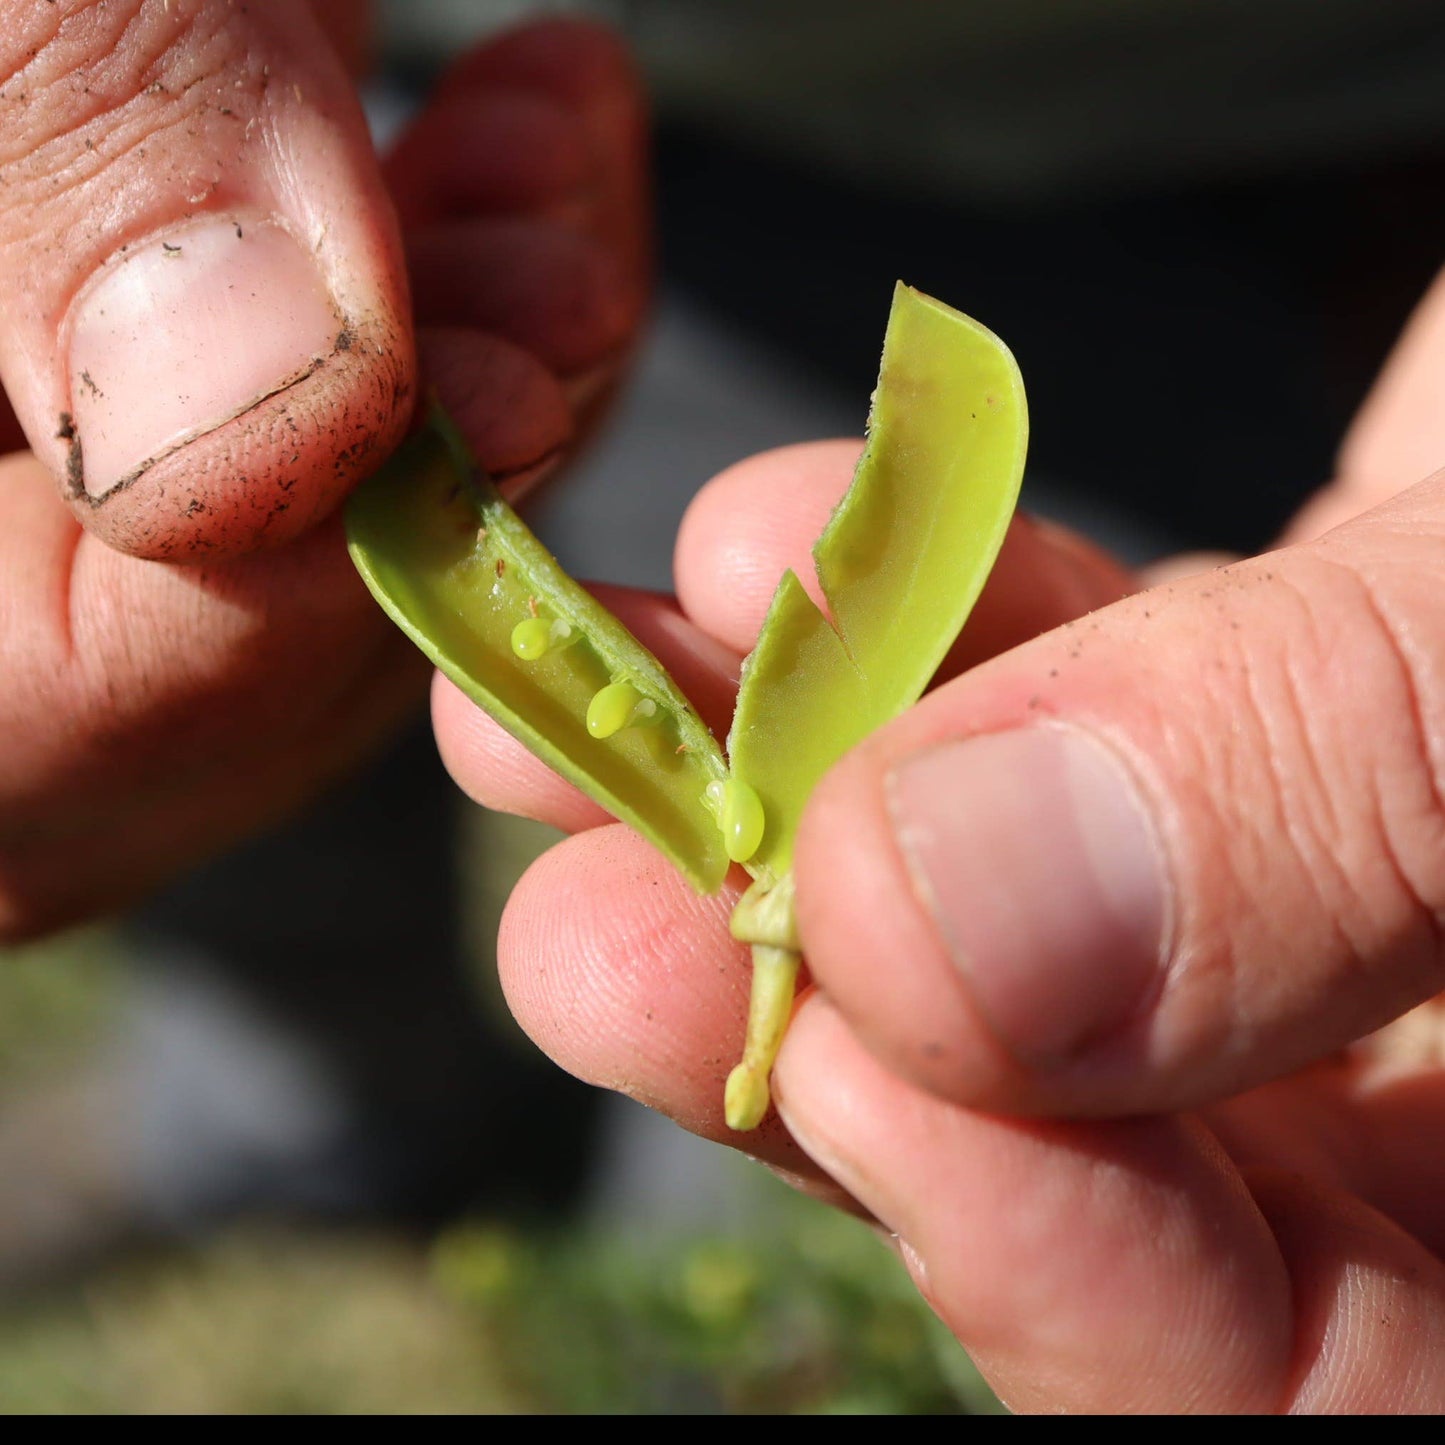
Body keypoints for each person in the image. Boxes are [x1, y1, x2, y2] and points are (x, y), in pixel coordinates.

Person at [5, 0, 1445, 1413]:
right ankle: (298, 1131)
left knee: (851, 1104)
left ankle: (695, 1336)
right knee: (301, 743)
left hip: (1202, 132)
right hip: (369, 96)